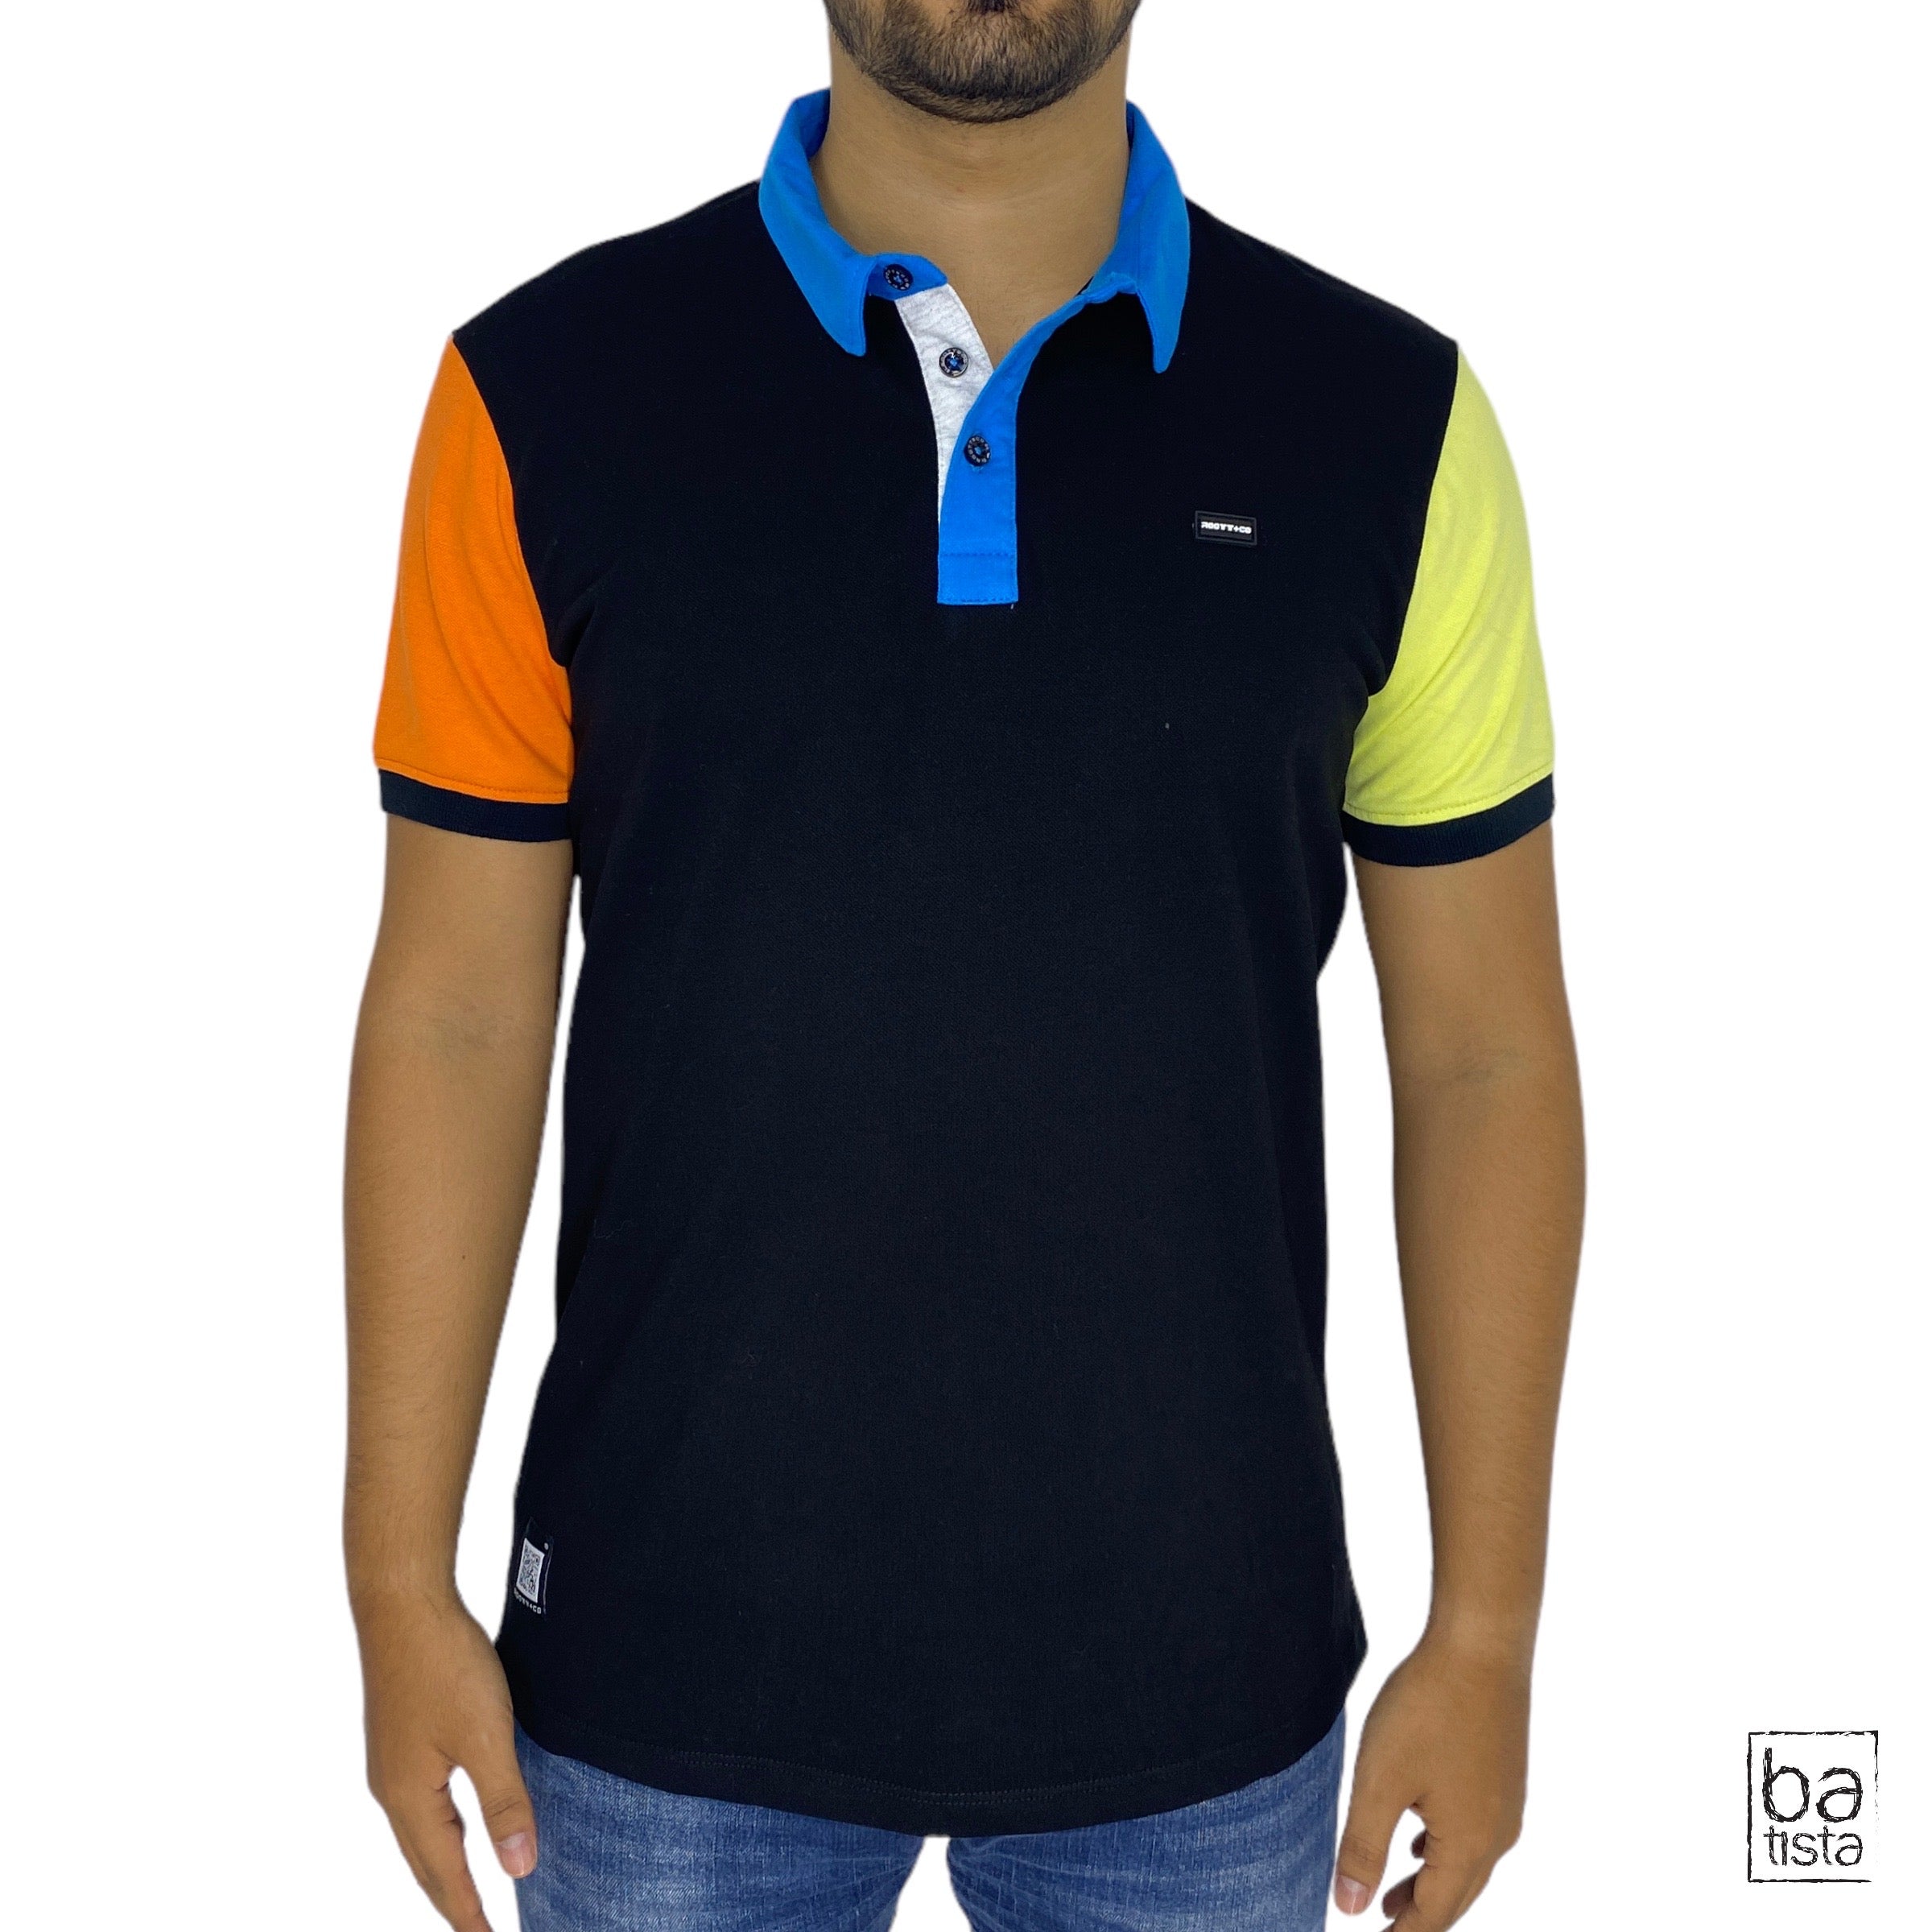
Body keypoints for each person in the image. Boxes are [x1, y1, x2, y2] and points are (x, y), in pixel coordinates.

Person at [344, 3, 1584, 1928]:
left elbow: (1486, 1054)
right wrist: (390, 1574)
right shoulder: (539, 393)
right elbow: (456, 1013)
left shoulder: (1390, 421)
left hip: (1204, 1674)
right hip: (663, 1666)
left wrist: (1490, 1625)